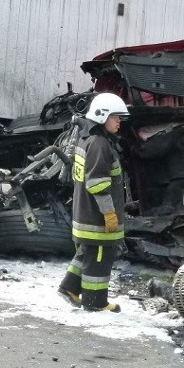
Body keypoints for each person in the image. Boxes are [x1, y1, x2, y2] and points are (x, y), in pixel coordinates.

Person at [57, 92, 130, 312]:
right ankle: (95, 302)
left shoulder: (86, 137)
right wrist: (109, 213)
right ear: (102, 116)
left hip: (83, 213)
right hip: (96, 219)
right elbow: (97, 184)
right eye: (115, 117)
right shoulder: (99, 144)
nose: (119, 122)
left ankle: (68, 288)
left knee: (86, 253)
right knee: (99, 257)